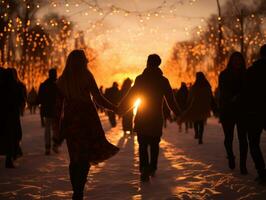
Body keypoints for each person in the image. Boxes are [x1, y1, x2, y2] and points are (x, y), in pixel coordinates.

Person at [56, 50, 119, 199]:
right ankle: (79, 190)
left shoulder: (62, 80)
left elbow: (58, 108)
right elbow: (98, 98)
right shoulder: (87, 76)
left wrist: (58, 128)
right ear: (82, 61)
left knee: (74, 157)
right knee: (85, 157)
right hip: (87, 119)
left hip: (71, 121)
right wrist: (114, 107)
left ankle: (76, 190)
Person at [118, 54, 180, 182]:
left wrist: (121, 109)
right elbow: (171, 100)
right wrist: (179, 113)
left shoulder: (140, 79)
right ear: (158, 64)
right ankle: (152, 167)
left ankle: (144, 168)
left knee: (143, 145)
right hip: (156, 118)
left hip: (142, 116)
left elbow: (131, 97)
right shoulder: (163, 80)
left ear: (148, 63)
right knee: (154, 144)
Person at [218, 52, 248, 174]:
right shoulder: (224, 74)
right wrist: (230, 98)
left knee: (243, 139)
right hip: (228, 110)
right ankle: (230, 156)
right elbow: (222, 91)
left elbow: (248, 90)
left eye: (239, 60)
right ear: (231, 61)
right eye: (235, 60)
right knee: (228, 138)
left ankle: (243, 165)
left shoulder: (246, 74)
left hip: (242, 110)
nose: (237, 62)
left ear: (242, 61)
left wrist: (239, 97)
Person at [244, 44, 266, 183]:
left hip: (254, 112)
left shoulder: (252, 71)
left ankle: (262, 172)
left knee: (254, 142)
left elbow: (246, 92)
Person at [0, 68, 24, 168]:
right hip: (12, 115)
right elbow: (20, 99)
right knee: (12, 135)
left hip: (2, 115)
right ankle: (10, 158)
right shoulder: (16, 86)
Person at [182, 72, 213, 144]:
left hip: (195, 106)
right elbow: (210, 96)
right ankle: (200, 137)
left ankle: (197, 133)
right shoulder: (207, 85)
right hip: (203, 107)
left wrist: (188, 103)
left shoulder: (195, 86)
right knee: (201, 122)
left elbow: (190, 96)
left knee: (196, 121)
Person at [38, 68, 60, 155]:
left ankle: (47, 147)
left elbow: (40, 98)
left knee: (47, 129)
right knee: (56, 129)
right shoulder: (58, 84)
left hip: (47, 110)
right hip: (56, 110)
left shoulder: (44, 85)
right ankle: (55, 145)